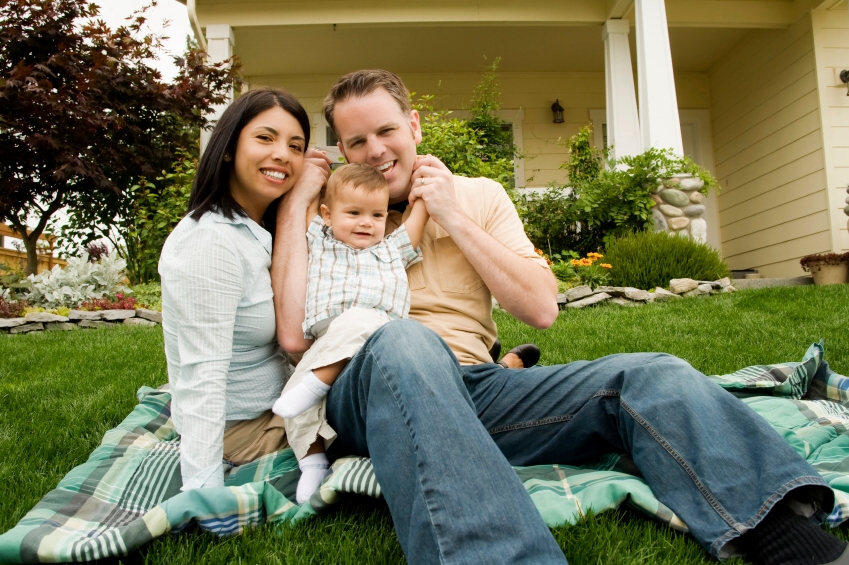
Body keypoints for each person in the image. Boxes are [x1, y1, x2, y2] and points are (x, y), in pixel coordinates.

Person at [272, 69, 849, 565]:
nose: (375, 150)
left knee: (652, 375)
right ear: (342, 152)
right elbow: (296, 338)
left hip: (478, 388)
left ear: (415, 126)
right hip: (366, 389)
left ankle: (782, 532)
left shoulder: (478, 195)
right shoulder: (325, 218)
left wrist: (452, 214)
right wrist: (298, 205)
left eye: (386, 130)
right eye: (356, 141)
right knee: (404, 339)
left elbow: (541, 309)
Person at [159, 88, 329, 491]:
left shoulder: (257, 230)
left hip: (279, 406)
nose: (283, 155)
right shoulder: (210, 241)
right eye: (265, 138)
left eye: (295, 146)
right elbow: (204, 374)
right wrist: (202, 492)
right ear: (230, 147)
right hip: (241, 430)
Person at [271, 162, 429, 503]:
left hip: (377, 337)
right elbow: (308, 204)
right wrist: (313, 171)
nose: (366, 222)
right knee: (294, 396)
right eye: (354, 212)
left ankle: (317, 383)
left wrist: (424, 187)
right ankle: (313, 462)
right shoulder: (321, 239)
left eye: (376, 215)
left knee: (359, 320)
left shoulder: (390, 249)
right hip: (330, 340)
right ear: (329, 215)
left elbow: (418, 219)